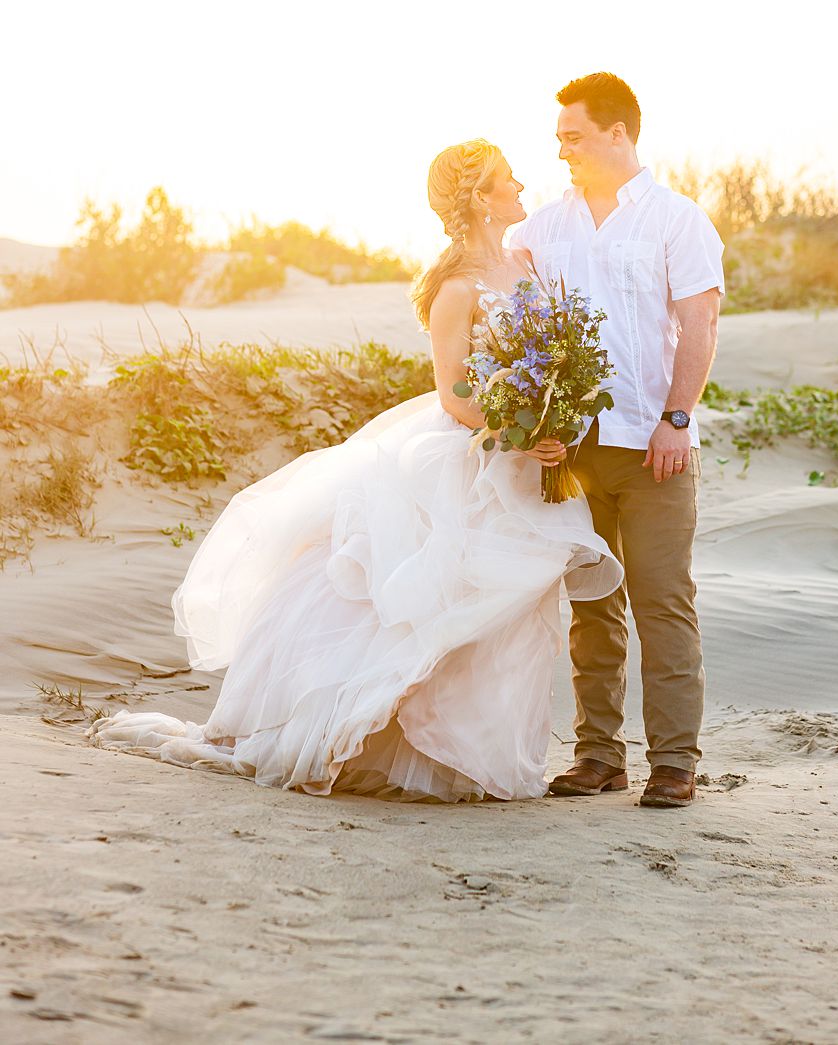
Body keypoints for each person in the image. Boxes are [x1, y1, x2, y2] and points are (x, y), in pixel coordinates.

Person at [89, 140, 623, 800]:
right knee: (426, 597)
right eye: (505, 178)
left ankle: (472, 751)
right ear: (482, 199)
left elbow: (552, 356)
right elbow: (455, 392)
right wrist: (522, 429)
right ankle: (370, 735)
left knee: (507, 607)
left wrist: (556, 419)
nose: (519, 184)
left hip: (524, 463)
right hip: (477, 452)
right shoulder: (456, 289)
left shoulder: (532, 264)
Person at [508, 73, 726, 810]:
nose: (562, 149)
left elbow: (700, 324)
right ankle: (598, 753)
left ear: (619, 132)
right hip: (571, 452)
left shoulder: (677, 220)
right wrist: (536, 430)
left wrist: (677, 418)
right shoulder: (539, 230)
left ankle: (674, 761)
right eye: (559, 138)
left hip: (652, 444)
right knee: (592, 604)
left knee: (663, 601)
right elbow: (520, 336)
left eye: (574, 135)